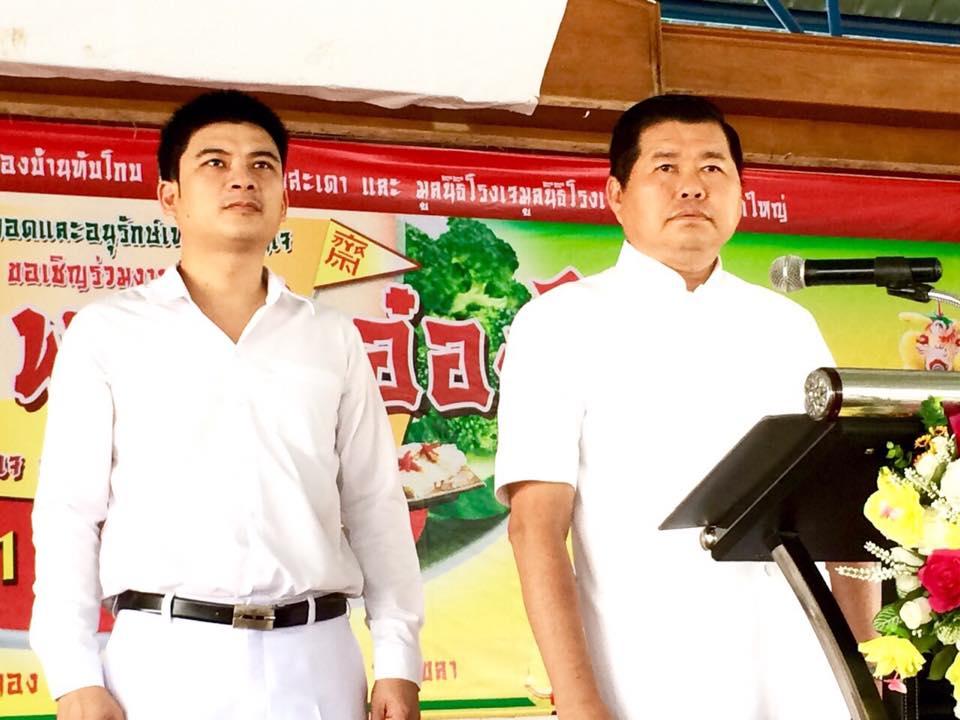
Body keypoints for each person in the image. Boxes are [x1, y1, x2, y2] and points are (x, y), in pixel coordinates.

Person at [30, 90, 423, 720]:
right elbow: (70, 512)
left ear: (284, 200)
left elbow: (375, 503)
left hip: (318, 658)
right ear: (169, 197)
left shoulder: (331, 338)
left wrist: (399, 660)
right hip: (164, 660)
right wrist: (74, 675)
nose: (242, 177)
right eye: (215, 162)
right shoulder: (108, 332)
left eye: (263, 164)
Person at [494, 94, 876, 719]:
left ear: (741, 195)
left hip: (802, 678)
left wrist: (865, 672)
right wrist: (580, 701)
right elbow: (535, 527)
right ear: (617, 195)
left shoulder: (787, 325)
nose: (692, 187)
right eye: (666, 167)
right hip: (644, 677)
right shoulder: (559, 323)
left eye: (712, 168)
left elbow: (844, 515)